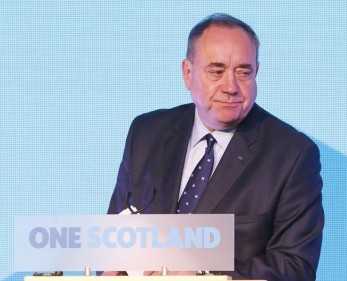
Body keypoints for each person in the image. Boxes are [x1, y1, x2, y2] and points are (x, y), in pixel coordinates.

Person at [106, 13, 324, 281]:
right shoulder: (146, 132)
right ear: (188, 73)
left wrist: (205, 274)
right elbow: (117, 231)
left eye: (244, 72)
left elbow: (296, 267)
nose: (231, 86)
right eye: (217, 71)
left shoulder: (292, 155)